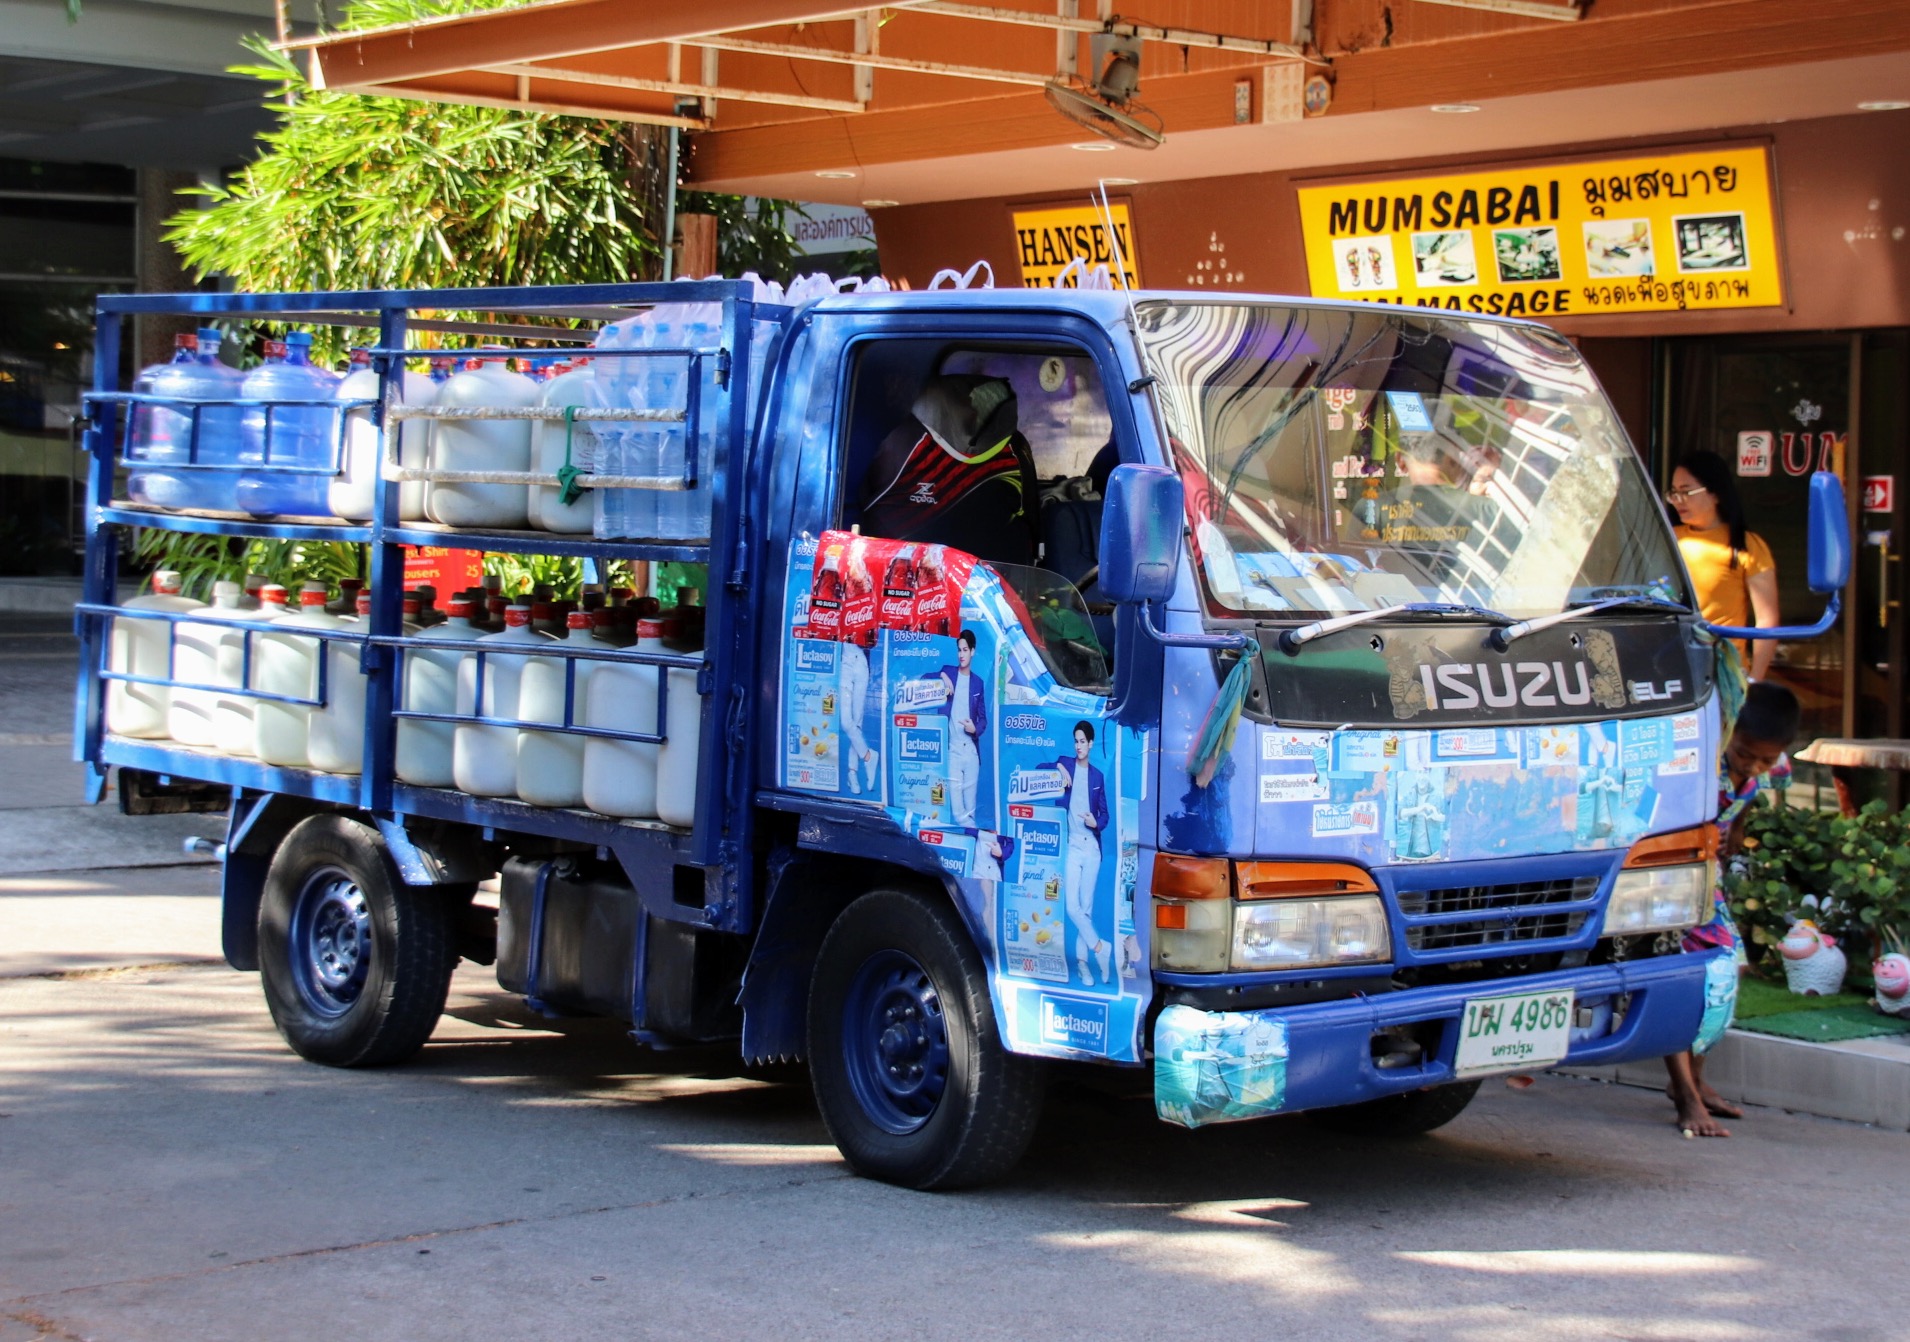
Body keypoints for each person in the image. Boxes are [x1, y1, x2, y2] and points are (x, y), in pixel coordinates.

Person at [1664, 679, 1799, 1138]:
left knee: (1727, 971)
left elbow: (1744, 804)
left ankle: (1696, 1082)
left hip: (1709, 880)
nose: (1753, 765)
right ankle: (1684, 1093)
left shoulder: (1771, 767)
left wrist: (1733, 834)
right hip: (1670, 874)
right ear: (1728, 731)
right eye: (1745, 754)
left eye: (1765, 759)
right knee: (1686, 974)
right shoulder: (1700, 760)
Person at [859, 374, 1039, 568]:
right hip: (994, 588)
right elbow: (1033, 523)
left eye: (974, 402)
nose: (972, 409)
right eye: (965, 401)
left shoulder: (902, 442)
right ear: (946, 406)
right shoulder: (905, 443)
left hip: (905, 585)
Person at [1668, 450, 1780, 681]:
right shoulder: (1666, 539)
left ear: (1715, 493)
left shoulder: (1747, 545)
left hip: (1722, 674)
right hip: (1670, 667)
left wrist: (1754, 680)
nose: (1678, 500)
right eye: (1674, 493)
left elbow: (1767, 621)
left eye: (1687, 492)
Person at [1055, 720, 1112, 986]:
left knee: (1085, 909)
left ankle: (1083, 965)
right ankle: (1100, 948)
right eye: (1075, 741)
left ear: (1090, 744)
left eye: (1082, 741)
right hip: (1072, 846)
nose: (1078, 746)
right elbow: (1042, 769)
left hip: (1091, 847)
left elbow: (1105, 816)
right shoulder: (1065, 763)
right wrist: (1056, 767)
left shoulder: (1098, 777)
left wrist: (1095, 822)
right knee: (1072, 907)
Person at [936, 629, 987, 825]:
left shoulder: (978, 683)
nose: (961, 654)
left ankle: (973, 850)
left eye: (965, 650)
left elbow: (983, 719)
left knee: (970, 810)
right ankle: (978, 842)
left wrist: (975, 729)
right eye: (959, 650)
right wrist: (942, 675)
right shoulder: (948, 671)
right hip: (953, 751)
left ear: (972, 651)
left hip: (971, 752)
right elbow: (924, 678)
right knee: (959, 813)